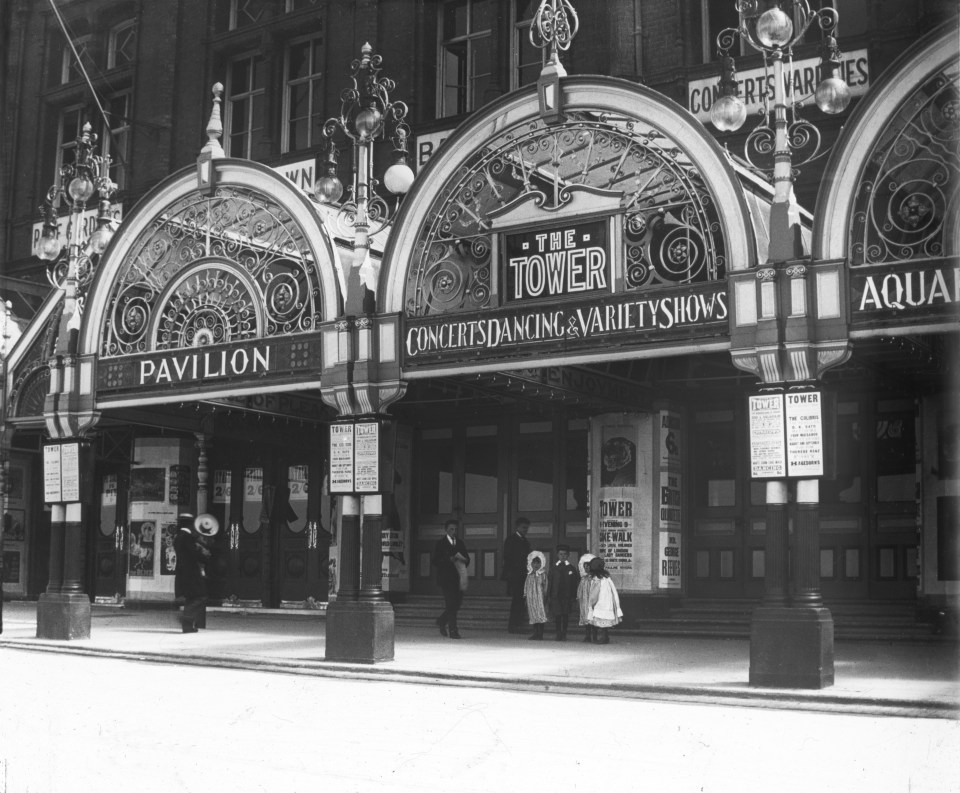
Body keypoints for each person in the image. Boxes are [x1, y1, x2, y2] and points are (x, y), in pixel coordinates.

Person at [432, 519, 470, 640]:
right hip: (446, 577)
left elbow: (467, 558)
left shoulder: (460, 543)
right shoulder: (441, 543)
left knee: (457, 603)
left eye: (455, 529)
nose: (453, 531)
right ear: (446, 530)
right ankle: (453, 630)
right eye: (451, 529)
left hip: (458, 577)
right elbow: (435, 561)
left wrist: (463, 559)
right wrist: (448, 559)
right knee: (451, 602)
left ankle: (442, 620)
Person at [174, 513, 209, 633]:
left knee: (191, 597)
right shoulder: (187, 537)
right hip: (191, 572)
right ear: (189, 524)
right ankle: (186, 619)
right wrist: (204, 554)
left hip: (183, 573)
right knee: (200, 596)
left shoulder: (179, 536)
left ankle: (187, 626)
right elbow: (193, 554)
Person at [502, 517, 531, 633]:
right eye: (524, 527)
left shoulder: (525, 541)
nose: (526, 530)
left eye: (527, 528)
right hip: (515, 574)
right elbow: (507, 557)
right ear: (517, 527)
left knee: (520, 599)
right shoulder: (511, 540)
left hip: (523, 573)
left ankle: (517, 624)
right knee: (517, 599)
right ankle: (513, 625)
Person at [548, 544, 579, 641]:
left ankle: (564, 633)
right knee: (557, 615)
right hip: (556, 596)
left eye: (565, 554)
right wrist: (549, 595)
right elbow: (550, 583)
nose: (563, 556)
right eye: (561, 554)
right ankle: (558, 633)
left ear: (568, 555)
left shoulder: (571, 568)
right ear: (557, 555)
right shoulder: (553, 568)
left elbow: (574, 583)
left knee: (565, 615)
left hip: (567, 596)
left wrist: (573, 596)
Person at [588, 557, 623, 644]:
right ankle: (605, 637)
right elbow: (613, 590)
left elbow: (594, 594)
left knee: (599, 620)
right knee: (604, 622)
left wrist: (591, 603)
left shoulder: (596, 579)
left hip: (600, 602)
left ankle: (602, 638)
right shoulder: (607, 578)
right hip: (608, 602)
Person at [524, 550, 549, 640]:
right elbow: (526, 586)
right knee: (533, 614)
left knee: (540, 615)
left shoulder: (543, 574)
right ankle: (535, 633)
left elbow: (546, 585)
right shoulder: (529, 575)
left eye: (538, 563)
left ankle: (540, 634)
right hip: (531, 598)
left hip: (540, 598)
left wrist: (545, 596)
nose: (536, 565)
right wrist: (525, 595)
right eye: (534, 563)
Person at [576, 553, 596, 643]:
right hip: (584, 601)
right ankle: (587, 635)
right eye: (585, 566)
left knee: (593, 618)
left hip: (593, 601)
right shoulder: (583, 579)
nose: (587, 568)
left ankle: (594, 636)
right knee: (586, 618)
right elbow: (580, 589)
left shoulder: (595, 578)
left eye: (589, 566)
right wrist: (579, 597)